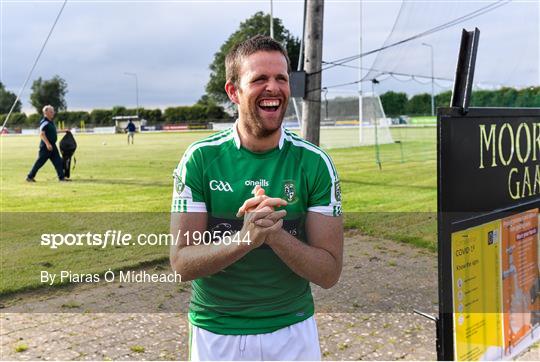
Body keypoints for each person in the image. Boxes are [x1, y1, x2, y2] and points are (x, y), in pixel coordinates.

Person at [170, 35, 343, 361]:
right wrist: (245, 239)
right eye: (259, 79)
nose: (273, 87)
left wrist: (275, 237)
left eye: (281, 78)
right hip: (217, 332)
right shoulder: (200, 159)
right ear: (233, 92)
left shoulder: (314, 163)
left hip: (292, 331)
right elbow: (181, 264)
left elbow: (329, 273)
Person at [27, 105, 68, 182]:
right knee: (39, 162)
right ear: (46, 112)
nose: (53, 113)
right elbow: (42, 134)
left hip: (52, 145)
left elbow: (54, 131)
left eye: (53, 111)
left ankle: (61, 178)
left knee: (58, 161)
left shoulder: (50, 122)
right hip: (46, 147)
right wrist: (47, 144)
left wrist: (64, 131)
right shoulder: (44, 122)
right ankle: (30, 177)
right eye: (51, 111)